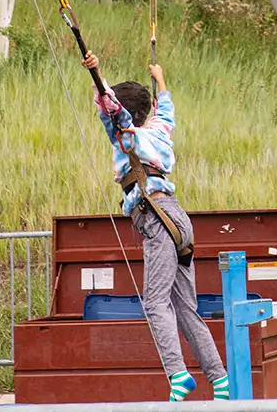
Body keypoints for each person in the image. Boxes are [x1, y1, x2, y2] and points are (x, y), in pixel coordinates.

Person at [81, 53, 228, 403]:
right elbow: (167, 110)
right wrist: (160, 79)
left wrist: (97, 74)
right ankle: (219, 380)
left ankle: (178, 374)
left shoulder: (127, 135)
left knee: (156, 302)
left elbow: (112, 110)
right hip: (178, 218)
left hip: (156, 218)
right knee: (185, 307)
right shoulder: (159, 130)